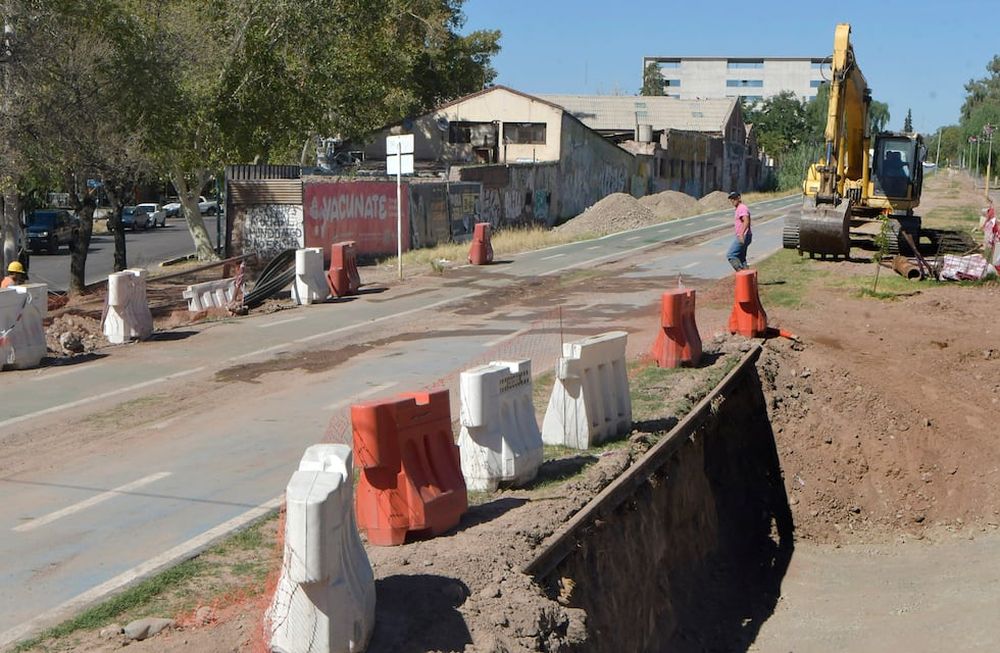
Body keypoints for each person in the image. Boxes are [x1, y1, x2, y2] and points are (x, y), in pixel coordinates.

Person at [726, 191, 752, 270]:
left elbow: (746, 221)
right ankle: (747, 279)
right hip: (746, 235)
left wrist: (741, 234)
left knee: (731, 254)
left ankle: (741, 274)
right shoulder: (738, 208)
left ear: (739, 198)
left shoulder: (742, 208)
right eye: (731, 199)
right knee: (741, 257)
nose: (732, 200)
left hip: (743, 235)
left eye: (734, 198)